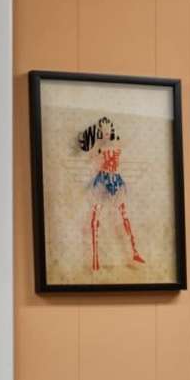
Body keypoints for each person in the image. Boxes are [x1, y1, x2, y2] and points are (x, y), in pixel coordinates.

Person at [76, 115, 149, 271]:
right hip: (103, 180)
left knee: (124, 214)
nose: (106, 132)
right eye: (103, 130)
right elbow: (90, 156)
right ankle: (95, 259)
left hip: (116, 180)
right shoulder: (97, 148)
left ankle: (134, 251)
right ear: (100, 132)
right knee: (96, 216)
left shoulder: (118, 143)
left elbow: (128, 140)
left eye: (108, 128)